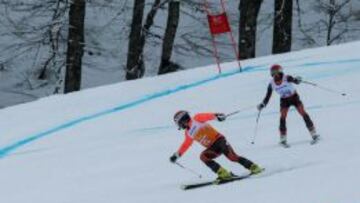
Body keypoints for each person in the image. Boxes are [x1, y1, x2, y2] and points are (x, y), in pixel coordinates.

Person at [169, 111, 263, 180]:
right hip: (212, 148)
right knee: (203, 157)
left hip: (220, 141)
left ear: (183, 120)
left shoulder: (196, 119)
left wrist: (217, 116)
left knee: (232, 157)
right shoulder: (188, 133)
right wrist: (176, 155)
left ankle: (253, 167)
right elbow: (185, 145)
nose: (180, 126)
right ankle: (223, 173)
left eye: (179, 123)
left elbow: (207, 116)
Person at [257, 64, 320, 147]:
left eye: (277, 72)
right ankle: (283, 139)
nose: (276, 74)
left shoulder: (286, 78)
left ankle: (314, 134)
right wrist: (263, 104)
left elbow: (295, 81)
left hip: (294, 97)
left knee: (303, 113)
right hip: (284, 100)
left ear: (280, 71)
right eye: (273, 72)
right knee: (282, 117)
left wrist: (297, 80)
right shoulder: (271, 84)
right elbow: (267, 96)